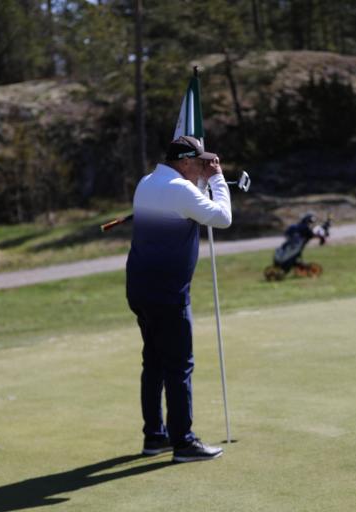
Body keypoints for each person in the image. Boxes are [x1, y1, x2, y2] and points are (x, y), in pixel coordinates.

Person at [126, 135, 232, 463]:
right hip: (168, 293)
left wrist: (203, 181)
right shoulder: (180, 189)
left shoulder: (147, 182)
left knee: (154, 362)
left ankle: (154, 437)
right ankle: (183, 442)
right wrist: (216, 180)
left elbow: (188, 207)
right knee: (179, 365)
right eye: (199, 162)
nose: (203, 167)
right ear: (184, 162)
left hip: (140, 289)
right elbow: (223, 218)